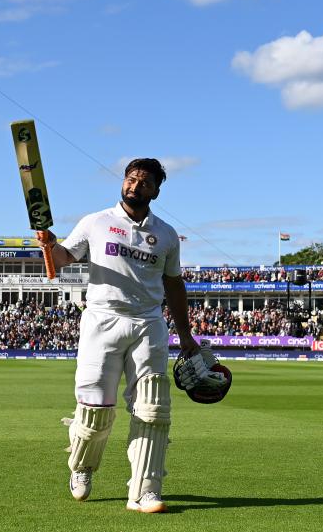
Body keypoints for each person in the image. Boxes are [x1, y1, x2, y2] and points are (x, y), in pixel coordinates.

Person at [39, 158, 200, 513]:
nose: (135, 186)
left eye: (145, 182)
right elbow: (63, 257)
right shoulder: (96, 222)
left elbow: (174, 284)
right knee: (95, 410)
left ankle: (146, 491)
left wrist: (186, 334)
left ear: (156, 191)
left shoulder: (166, 235)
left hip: (148, 323)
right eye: (131, 179)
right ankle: (82, 467)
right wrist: (49, 245)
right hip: (102, 320)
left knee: (153, 408)